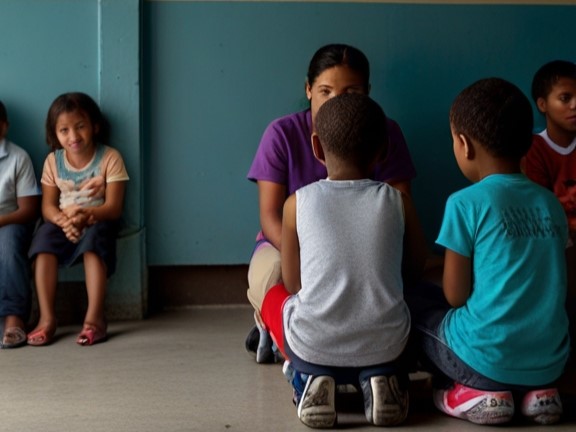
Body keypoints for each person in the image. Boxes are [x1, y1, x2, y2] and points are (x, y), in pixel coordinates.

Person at [409, 78, 570, 426]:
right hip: (550, 362)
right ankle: (538, 395)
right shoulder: (551, 204)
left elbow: (455, 295)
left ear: (464, 145)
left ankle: (475, 392)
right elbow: (566, 282)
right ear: (528, 143)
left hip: (483, 359)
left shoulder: (465, 203)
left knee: (418, 315)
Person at [259, 93, 427, 428]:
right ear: (383, 150)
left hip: (314, 343)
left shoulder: (296, 204)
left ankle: (309, 378)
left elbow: (294, 284)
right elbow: (415, 267)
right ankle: (380, 378)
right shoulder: (398, 201)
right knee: (400, 312)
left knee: (272, 298)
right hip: (387, 344)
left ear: (317, 148)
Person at [245, 43, 417, 363]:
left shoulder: (385, 132)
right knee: (273, 276)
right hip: (288, 246)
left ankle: (305, 346)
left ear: (368, 92)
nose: (336, 101)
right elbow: (269, 216)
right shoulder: (281, 134)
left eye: (351, 92)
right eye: (325, 91)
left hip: (363, 248)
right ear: (308, 90)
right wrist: (313, 257)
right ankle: (284, 336)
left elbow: (402, 207)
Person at [27, 92, 129, 347]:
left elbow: (114, 208)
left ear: (95, 126)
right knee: (42, 245)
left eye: (80, 127)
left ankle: (94, 319)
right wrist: (63, 221)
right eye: (64, 130)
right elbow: (48, 206)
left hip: (98, 219)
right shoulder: (53, 161)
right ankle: (47, 319)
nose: (73, 136)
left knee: (93, 247)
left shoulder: (110, 158)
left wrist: (86, 216)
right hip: (63, 221)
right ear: (55, 133)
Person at [523, 60, 576, 345]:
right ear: (543, 104)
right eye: (565, 98)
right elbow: (538, 209)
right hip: (555, 243)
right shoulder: (534, 149)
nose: (574, 105)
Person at [0, 100, 41, 348]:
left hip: (12, 222)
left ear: (4, 127)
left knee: (7, 244)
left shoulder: (18, 157)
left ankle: (15, 317)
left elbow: (28, 210)